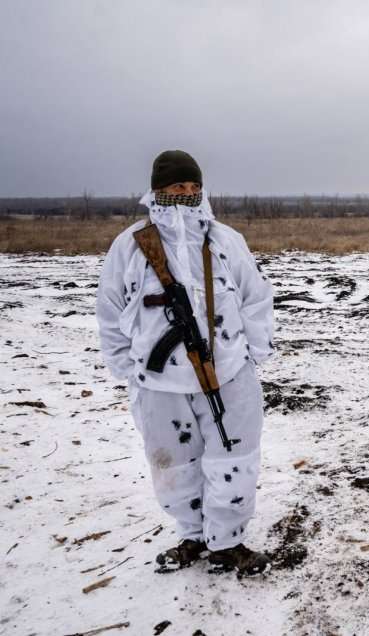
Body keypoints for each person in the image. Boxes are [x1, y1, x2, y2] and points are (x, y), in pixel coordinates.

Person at [96, 150, 275, 575]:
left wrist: (255, 352)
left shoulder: (225, 240)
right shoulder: (131, 246)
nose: (188, 193)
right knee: (173, 463)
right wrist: (127, 367)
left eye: (194, 186)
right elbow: (109, 310)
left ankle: (227, 541)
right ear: (159, 190)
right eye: (178, 186)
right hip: (159, 381)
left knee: (233, 457)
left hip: (228, 369)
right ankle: (192, 535)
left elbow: (255, 298)